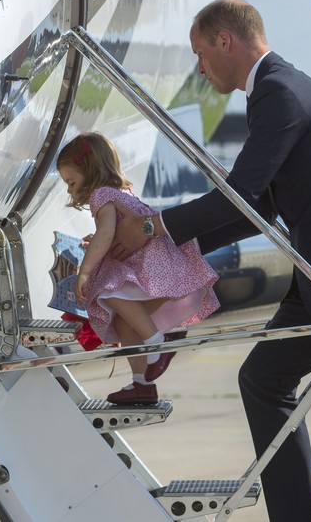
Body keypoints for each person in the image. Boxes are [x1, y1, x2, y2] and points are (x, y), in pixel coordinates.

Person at [110, 0, 311, 522]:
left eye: (200, 54)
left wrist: (150, 226)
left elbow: (245, 193)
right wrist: (161, 249)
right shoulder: (270, 96)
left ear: (225, 41)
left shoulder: (280, 91)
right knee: (264, 379)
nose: (199, 68)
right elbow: (261, 209)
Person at [56, 132, 220, 405]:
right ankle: (142, 384)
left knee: (107, 292)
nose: (70, 191)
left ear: (90, 171)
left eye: (71, 182)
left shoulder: (100, 195)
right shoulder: (122, 191)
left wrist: (84, 272)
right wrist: (95, 240)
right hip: (163, 266)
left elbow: (107, 233)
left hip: (149, 267)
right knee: (122, 323)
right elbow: (110, 232)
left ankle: (158, 341)